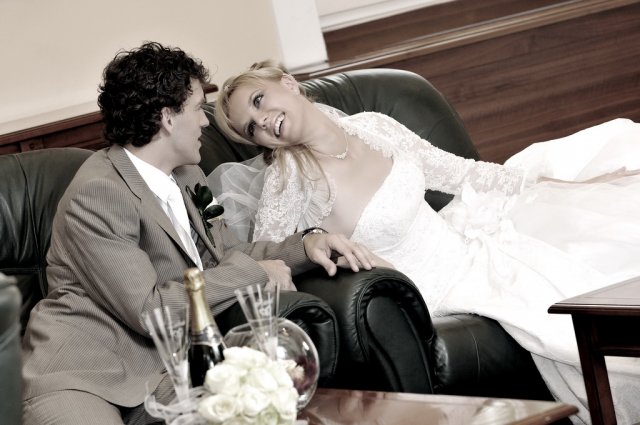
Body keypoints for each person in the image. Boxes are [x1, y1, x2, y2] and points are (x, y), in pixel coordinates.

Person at [211, 60, 640, 424]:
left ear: (288, 83)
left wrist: (560, 183)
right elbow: (271, 260)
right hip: (432, 290)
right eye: (251, 128)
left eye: (259, 100)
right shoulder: (287, 182)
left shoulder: (373, 126)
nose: (262, 122)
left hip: (470, 243)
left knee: (599, 235)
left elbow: (460, 173)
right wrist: (327, 250)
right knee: (563, 326)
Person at [20, 44, 381, 425]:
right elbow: (149, 309)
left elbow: (224, 254)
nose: (205, 122)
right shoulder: (98, 192)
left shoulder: (187, 174)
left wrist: (306, 246)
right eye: (197, 108)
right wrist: (258, 273)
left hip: (166, 372)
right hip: (82, 377)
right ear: (168, 118)